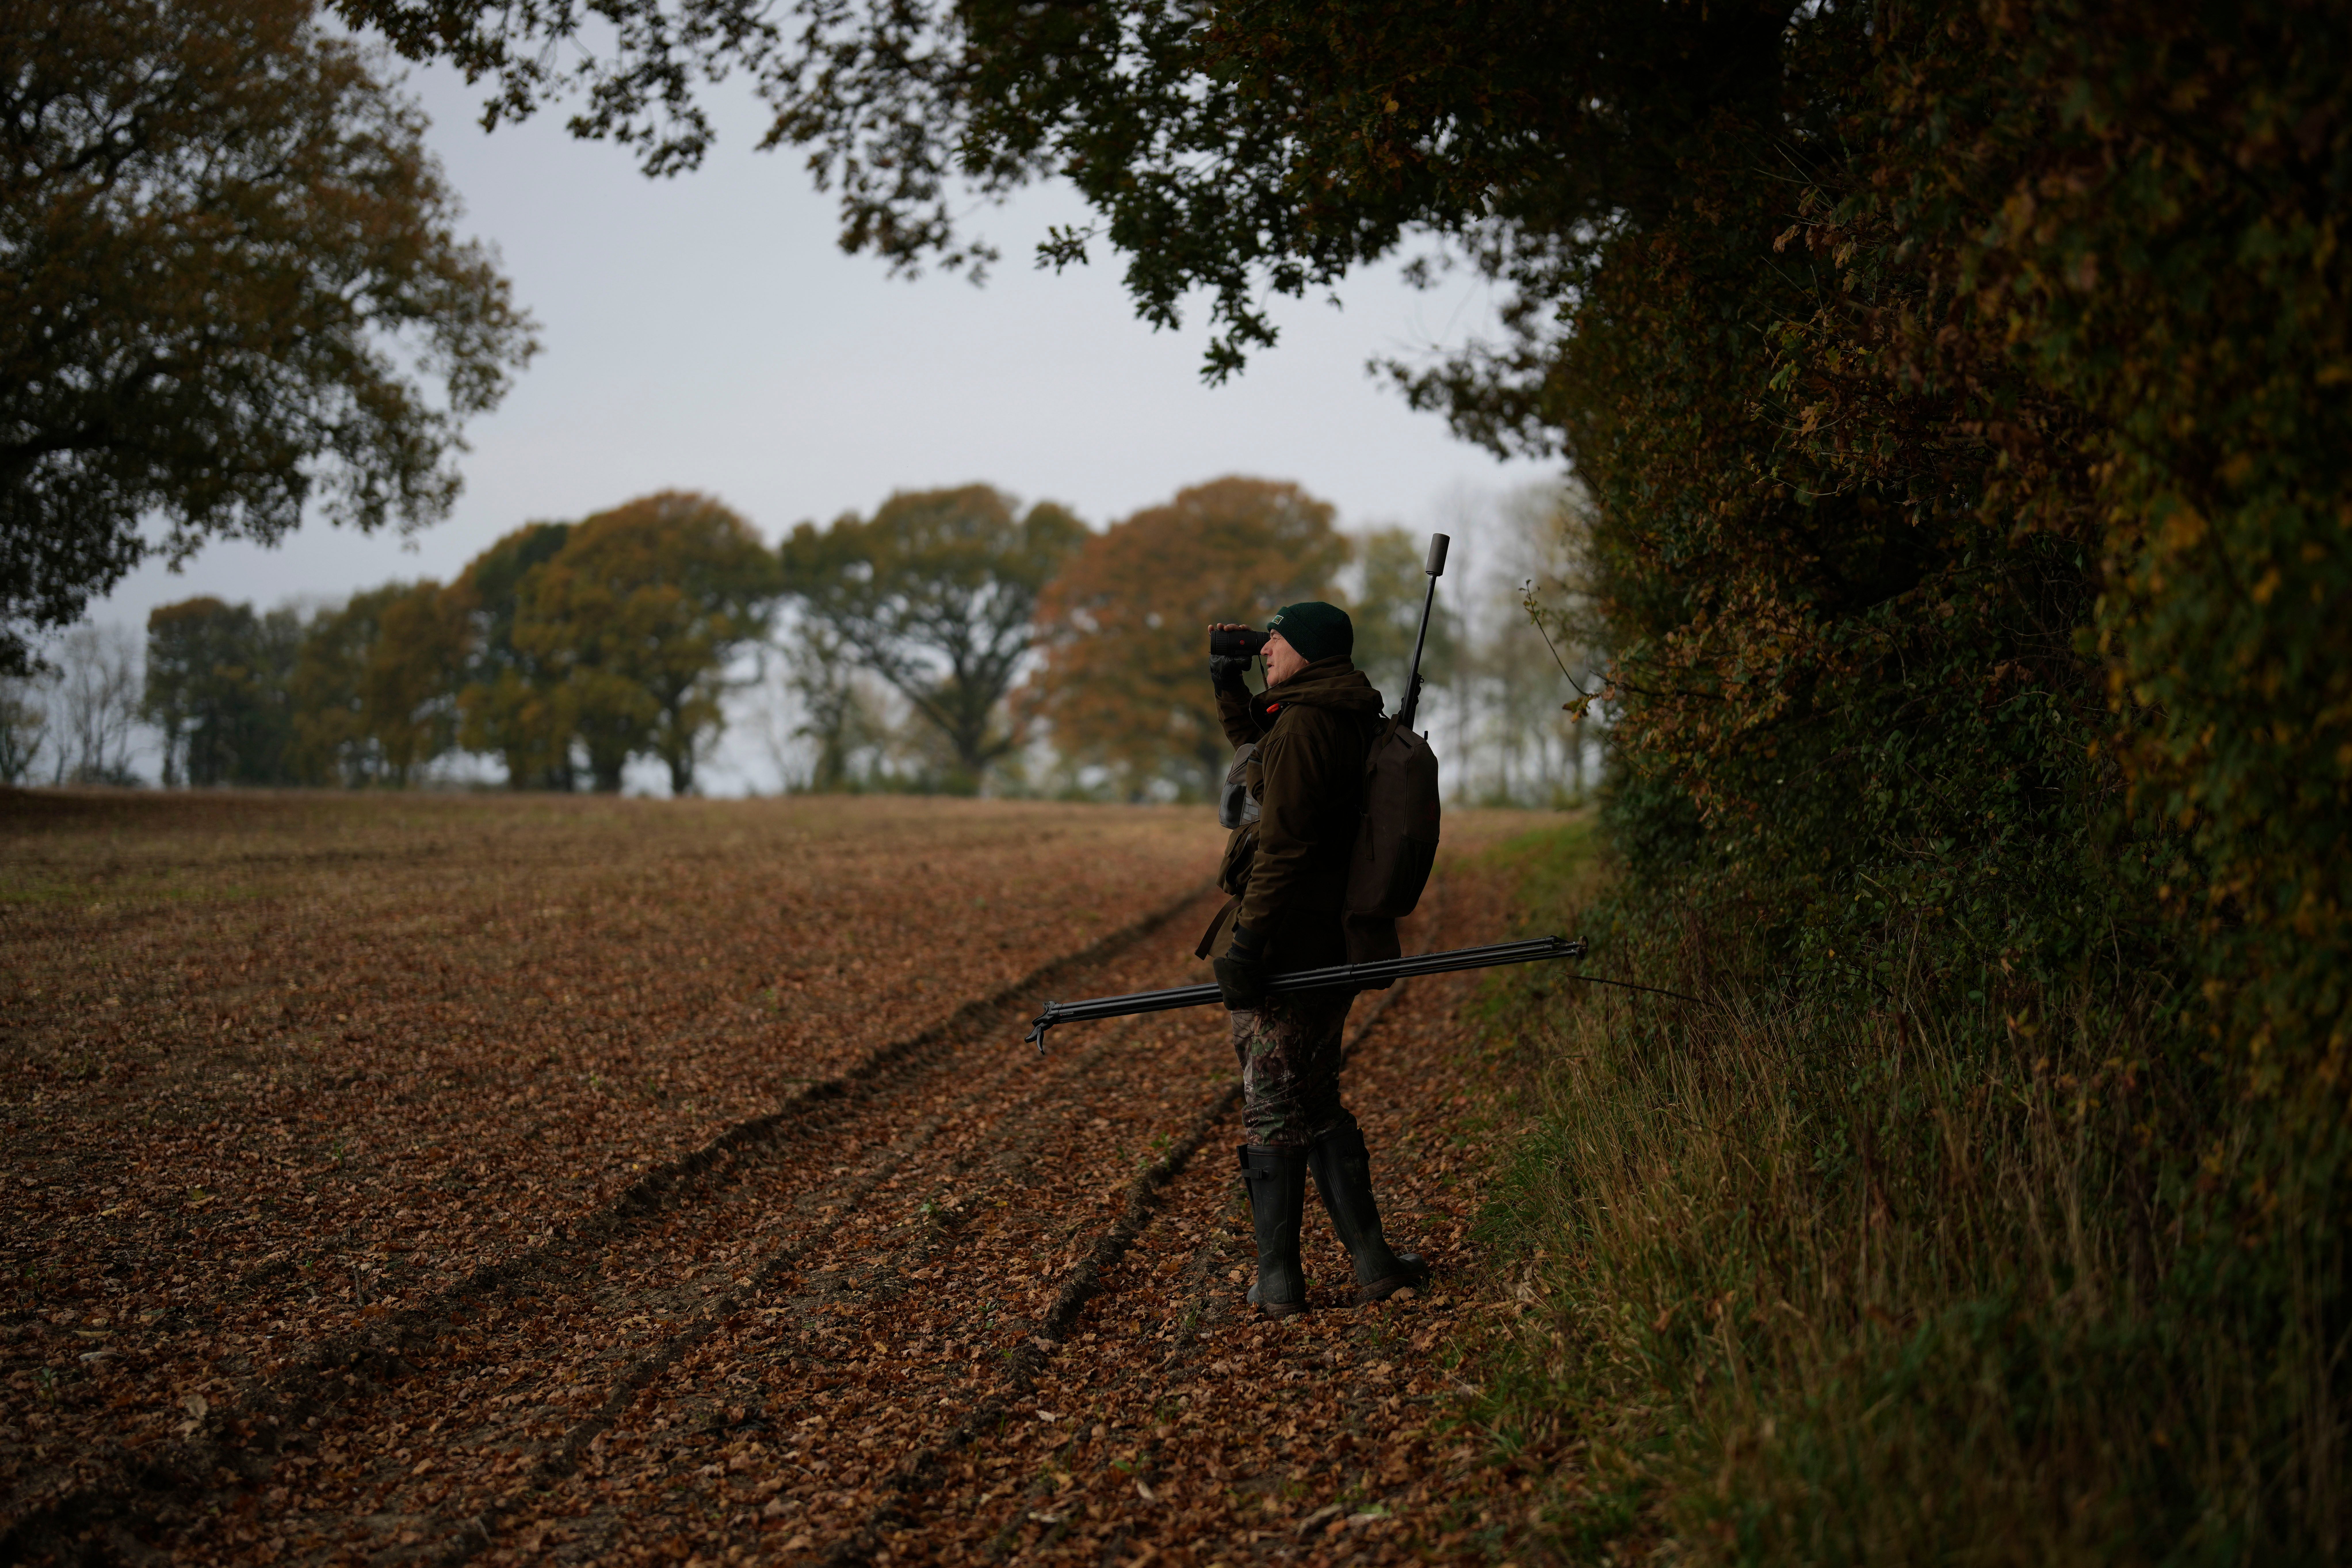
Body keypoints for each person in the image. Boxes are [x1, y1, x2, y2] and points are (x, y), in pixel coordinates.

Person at [1203, 601, 1428, 1318]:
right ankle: (1374, 1264)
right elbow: (1261, 766)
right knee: (1312, 1094)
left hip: (1293, 942)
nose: (1266, 646)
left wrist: (1247, 945)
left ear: (1310, 648)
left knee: (1272, 1102)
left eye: (1277, 638)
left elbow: (1286, 845)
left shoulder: (1306, 721)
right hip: (1325, 937)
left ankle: (1279, 1282)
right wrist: (1227, 686)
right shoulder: (1321, 711)